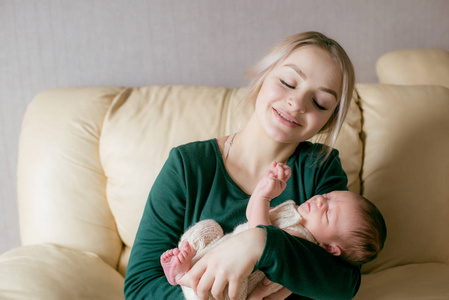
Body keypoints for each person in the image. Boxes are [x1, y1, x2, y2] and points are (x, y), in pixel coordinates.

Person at [124, 31, 360, 300]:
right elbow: (139, 289)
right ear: (263, 77)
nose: (297, 104)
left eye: (320, 102)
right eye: (287, 82)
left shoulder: (320, 167)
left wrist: (259, 242)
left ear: (327, 121)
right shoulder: (188, 166)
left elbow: (344, 284)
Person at [160, 162, 386, 300]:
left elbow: (261, 233)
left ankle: (185, 276)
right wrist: (266, 187)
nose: (319, 201)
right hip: (216, 251)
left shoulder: (302, 242)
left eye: (327, 213)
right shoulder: (295, 212)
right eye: (327, 197)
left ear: (330, 248)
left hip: (229, 287)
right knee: (208, 228)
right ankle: (186, 265)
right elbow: (253, 219)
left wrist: (263, 195)